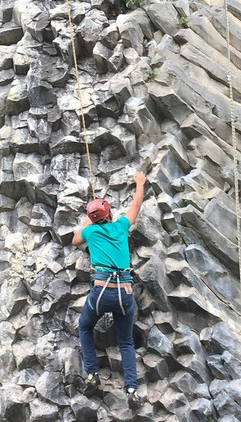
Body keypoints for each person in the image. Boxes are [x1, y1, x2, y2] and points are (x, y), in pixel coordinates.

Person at [72, 171, 146, 404]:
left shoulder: (90, 231)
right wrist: (140, 183)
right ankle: (132, 390)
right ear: (110, 213)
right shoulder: (121, 226)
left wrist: (89, 221)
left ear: (93, 220)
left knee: (84, 327)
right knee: (126, 341)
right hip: (125, 291)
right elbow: (136, 204)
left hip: (101, 291)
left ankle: (93, 374)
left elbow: (74, 240)